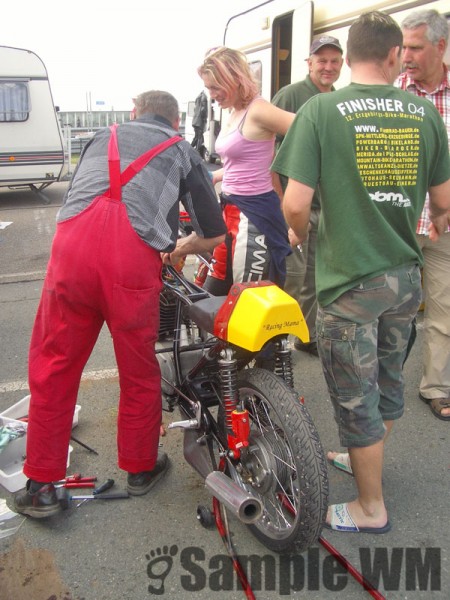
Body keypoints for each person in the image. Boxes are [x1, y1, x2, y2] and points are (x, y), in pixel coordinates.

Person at [273, 11, 450, 533]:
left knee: (354, 395)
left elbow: (295, 204)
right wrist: (437, 223)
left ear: (347, 58)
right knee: (389, 380)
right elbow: (443, 202)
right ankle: (362, 458)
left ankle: (370, 507)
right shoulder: (425, 114)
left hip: (349, 281)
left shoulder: (322, 111)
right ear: (395, 56)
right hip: (404, 275)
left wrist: (302, 233)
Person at [13, 90, 226, 518]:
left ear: (134, 113)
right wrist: (178, 244)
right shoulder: (182, 151)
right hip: (131, 262)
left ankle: (40, 486)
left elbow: (80, 194)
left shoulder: (99, 136)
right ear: (175, 120)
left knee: (54, 364)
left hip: (70, 252)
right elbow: (215, 235)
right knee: (138, 369)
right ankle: (141, 468)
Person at [198, 46, 295, 296]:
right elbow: (243, 159)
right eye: (208, 88)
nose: (212, 95)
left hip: (254, 215)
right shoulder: (234, 111)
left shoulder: (259, 109)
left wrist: (297, 181)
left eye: (215, 87)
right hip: (228, 209)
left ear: (234, 79)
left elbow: (308, 130)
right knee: (215, 290)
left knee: (249, 299)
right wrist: (216, 176)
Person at [272, 36, 344, 357]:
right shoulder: (291, 95)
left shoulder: (340, 100)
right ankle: (276, 343)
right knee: (292, 276)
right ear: (309, 63)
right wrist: (279, 203)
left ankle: (306, 334)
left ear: (342, 64)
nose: (328, 66)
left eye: (334, 60)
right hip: (294, 206)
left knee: (316, 277)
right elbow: (267, 153)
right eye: (322, 60)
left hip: (326, 207)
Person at [395, 9, 450, 421]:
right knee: (387, 307)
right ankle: (379, 383)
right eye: (404, 47)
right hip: (397, 223)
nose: (406, 55)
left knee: (443, 309)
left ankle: (436, 386)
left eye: (415, 47)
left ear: (441, 46)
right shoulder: (393, 92)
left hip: (444, 225)